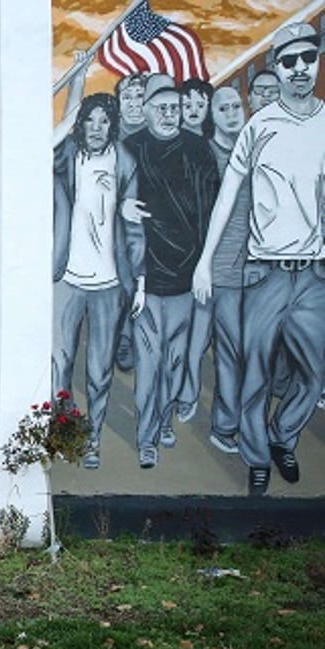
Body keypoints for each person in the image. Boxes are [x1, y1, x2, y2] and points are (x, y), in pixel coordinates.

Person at [192, 22, 325, 496]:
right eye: (288, 61)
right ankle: (257, 460)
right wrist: (205, 262)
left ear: (316, 59)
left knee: (316, 373)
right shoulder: (259, 127)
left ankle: (282, 436)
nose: (299, 69)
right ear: (276, 67)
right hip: (265, 273)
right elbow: (227, 200)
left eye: (307, 58)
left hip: (312, 275)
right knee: (255, 372)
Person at [124, 73, 219, 469]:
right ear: (145, 111)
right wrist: (120, 207)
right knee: (148, 363)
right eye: (160, 108)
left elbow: (211, 211)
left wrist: (204, 266)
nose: (168, 114)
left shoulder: (199, 150)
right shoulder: (129, 149)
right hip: (145, 276)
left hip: (186, 276)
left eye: (174, 109)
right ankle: (146, 438)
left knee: (176, 361)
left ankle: (163, 420)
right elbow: (105, 199)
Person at [52, 93, 145, 470]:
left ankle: (92, 440)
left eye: (103, 120)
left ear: (113, 124)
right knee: (59, 363)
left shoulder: (125, 162)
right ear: (80, 123)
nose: (96, 128)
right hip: (67, 280)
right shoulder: (66, 157)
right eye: (89, 120)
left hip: (108, 284)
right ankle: (62, 433)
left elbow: (135, 228)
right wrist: (75, 82)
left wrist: (138, 280)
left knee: (98, 371)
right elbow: (45, 144)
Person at [186, 86, 249, 451]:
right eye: (222, 107)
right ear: (213, 115)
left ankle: (223, 426)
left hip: (245, 272)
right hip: (207, 269)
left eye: (235, 106)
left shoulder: (255, 151)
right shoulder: (203, 155)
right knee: (192, 347)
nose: (230, 112)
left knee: (233, 352)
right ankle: (186, 400)